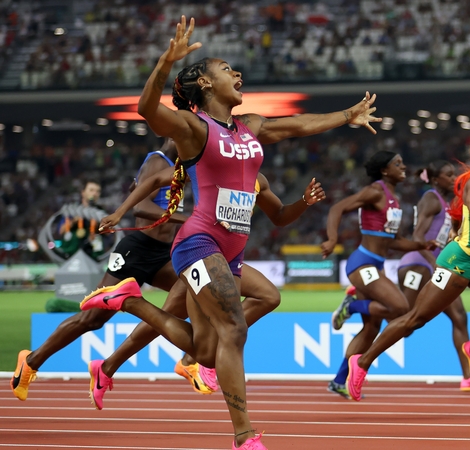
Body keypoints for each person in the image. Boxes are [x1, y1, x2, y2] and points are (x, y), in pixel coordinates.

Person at [78, 16, 379, 450]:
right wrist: (165, 62)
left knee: (203, 351)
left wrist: (346, 115)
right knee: (234, 330)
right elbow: (146, 110)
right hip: (198, 242)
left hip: (231, 249)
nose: (237, 74)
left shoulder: (251, 126)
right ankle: (244, 435)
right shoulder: (193, 128)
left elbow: (297, 124)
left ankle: (129, 300)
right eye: (225, 69)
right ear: (203, 82)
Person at [90, 164, 322, 409]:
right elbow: (155, 179)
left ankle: (110, 366)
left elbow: (280, 215)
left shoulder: (258, 180)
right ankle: (132, 343)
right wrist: (119, 212)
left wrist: (304, 201)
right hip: (199, 252)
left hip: (227, 260)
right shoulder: (207, 165)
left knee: (268, 296)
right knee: (171, 317)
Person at [343, 132, 470, 401]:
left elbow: (467, 215)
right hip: (457, 264)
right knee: (415, 319)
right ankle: (362, 363)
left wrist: (458, 228)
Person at [11, 140, 192, 402]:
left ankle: (188, 360)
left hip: (162, 254)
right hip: (136, 251)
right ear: (174, 135)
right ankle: (30, 361)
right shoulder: (157, 161)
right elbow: (141, 207)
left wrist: (138, 184)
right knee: (92, 320)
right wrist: (188, 219)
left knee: (195, 292)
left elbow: (135, 188)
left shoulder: (177, 166)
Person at [322, 151, 434, 398]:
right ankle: (352, 306)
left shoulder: (394, 198)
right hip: (363, 265)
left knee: (371, 330)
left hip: (376, 266)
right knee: (401, 310)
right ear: (385, 170)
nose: (403, 165)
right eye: (397, 163)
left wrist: (421, 245)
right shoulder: (375, 191)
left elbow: (393, 241)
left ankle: (339, 380)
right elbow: (338, 208)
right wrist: (332, 239)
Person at [396, 161, 470, 393]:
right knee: (407, 323)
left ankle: (469, 377)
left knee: (459, 317)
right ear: (434, 179)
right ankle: (359, 303)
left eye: (455, 174)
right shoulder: (431, 199)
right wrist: (435, 265)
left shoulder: (449, 202)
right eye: (448, 175)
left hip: (439, 268)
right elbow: (418, 235)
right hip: (418, 265)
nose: (454, 178)